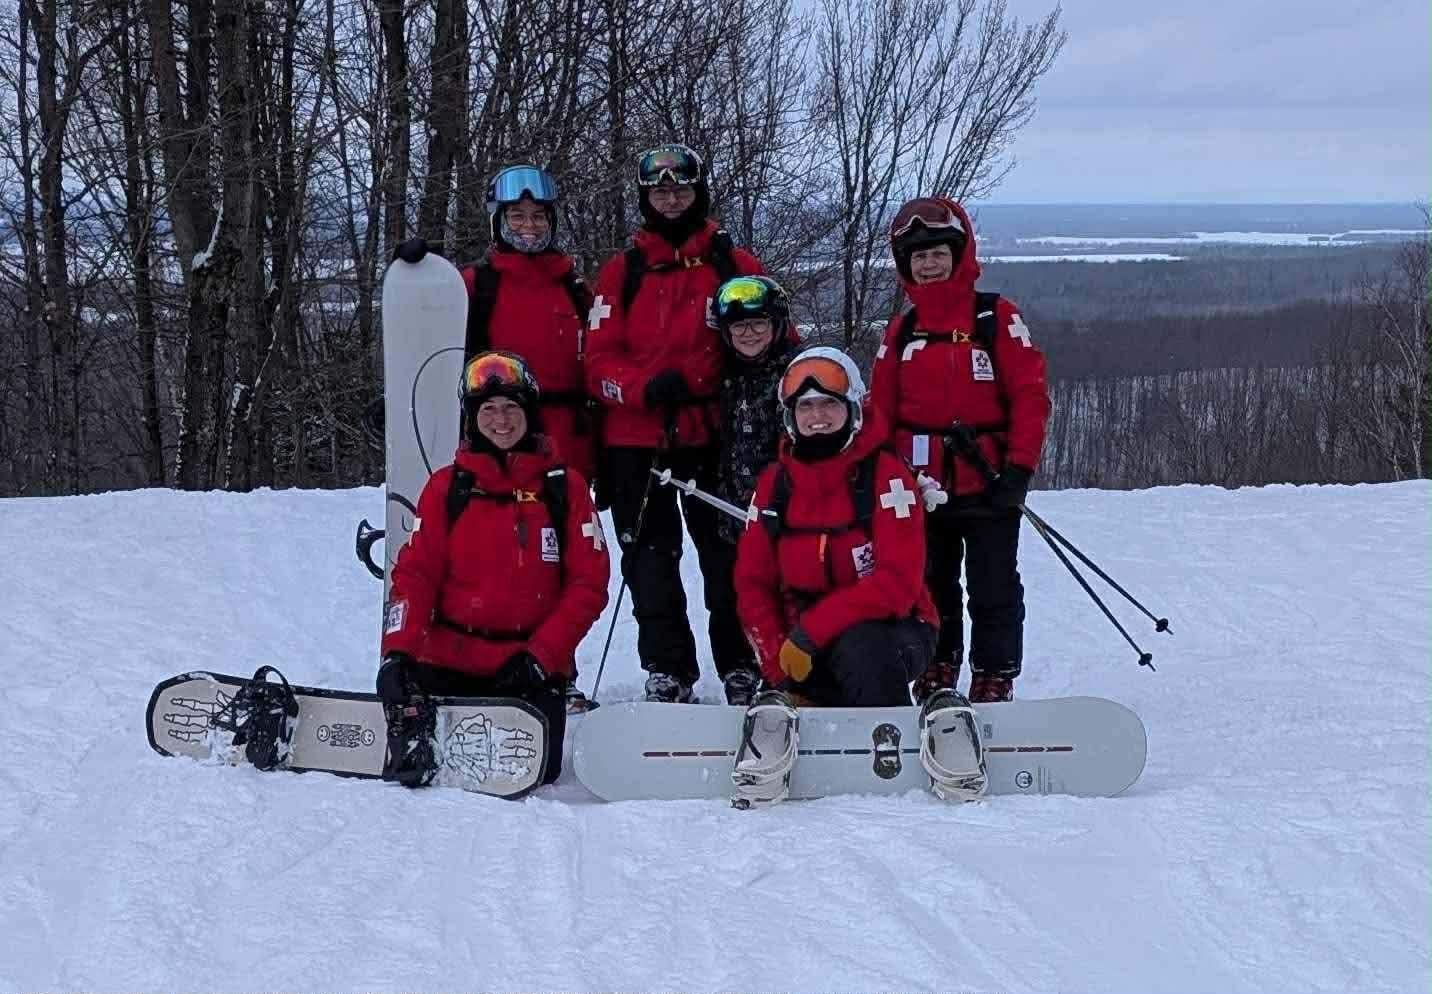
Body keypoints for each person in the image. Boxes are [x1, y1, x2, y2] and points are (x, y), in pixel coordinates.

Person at [584, 143, 766, 703]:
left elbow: (773, 339)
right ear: (645, 199)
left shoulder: (733, 264)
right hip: (637, 440)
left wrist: (708, 380)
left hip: (714, 437)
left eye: (680, 190)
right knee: (650, 562)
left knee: (728, 556)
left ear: (698, 193)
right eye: (659, 192)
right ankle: (668, 667)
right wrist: (641, 389)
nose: (670, 199)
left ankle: (741, 662)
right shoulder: (622, 272)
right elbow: (596, 361)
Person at [377, 351, 610, 785]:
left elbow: (588, 584)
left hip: (528, 670)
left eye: (510, 408)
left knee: (534, 773)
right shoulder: (447, 488)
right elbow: (414, 575)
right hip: (448, 661)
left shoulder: (566, 488)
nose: (500, 420)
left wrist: (541, 658)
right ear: (471, 418)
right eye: (488, 409)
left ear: (530, 414)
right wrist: (398, 651)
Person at [868, 196, 1051, 704]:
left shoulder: (996, 317)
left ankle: (995, 672)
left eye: (937, 252)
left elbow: (1030, 396)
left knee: (993, 586)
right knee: (932, 584)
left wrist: (1020, 467)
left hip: (989, 478)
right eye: (917, 257)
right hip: (920, 486)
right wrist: (878, 474)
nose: (929, 264)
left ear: (959, 252)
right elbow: (878, 410)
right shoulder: (901, 331)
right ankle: (937, 665)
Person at [733, 346, 939, 709]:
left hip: (893, 628)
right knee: (796, 697)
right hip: (800, 641)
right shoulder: (774, 486)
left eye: (829, 404)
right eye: (805, 406)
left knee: (859, 647)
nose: (817, 416)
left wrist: (811, 632)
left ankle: (889, 750)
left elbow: (898, 586)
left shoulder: (886, 475)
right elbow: (753, 583)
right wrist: (778, 667)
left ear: (854, 409)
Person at [708, 275, 797, 705]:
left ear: (777, 325)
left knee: (784, 595)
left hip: (788, 512)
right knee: (730, 596)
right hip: (731, 509)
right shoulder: (721, 375)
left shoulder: (796, 372)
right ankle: (738, 669)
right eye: (739, 327)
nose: (749, 334)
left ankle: (786, 668)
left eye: (759, 324)